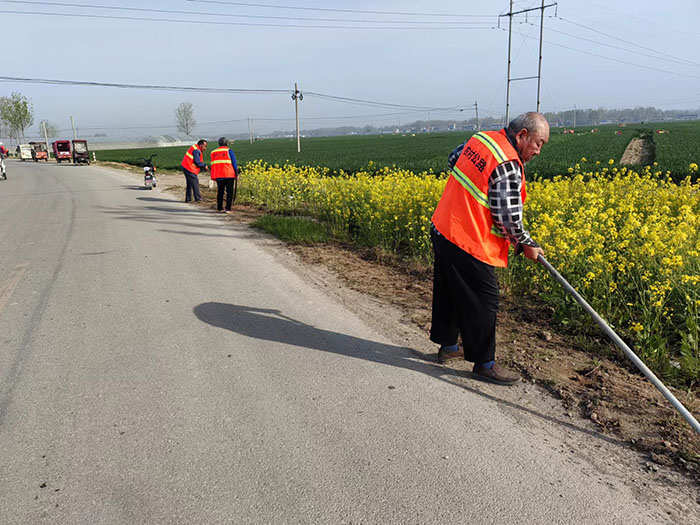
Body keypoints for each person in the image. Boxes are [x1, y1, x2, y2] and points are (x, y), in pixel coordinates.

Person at [430, 112, 549, 385]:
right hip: (466, 238)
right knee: (485, 297)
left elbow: (453, 158)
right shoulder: (508, 163)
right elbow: (507, 217)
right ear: (522, 136)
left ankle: (448, 347)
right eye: (538, 143)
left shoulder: (481, 139)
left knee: (449, 289)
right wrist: (526, 243)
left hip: (443, 226)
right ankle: (485, 363)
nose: (539, 151)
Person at [209, 137, 239, 213]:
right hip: (229, 174)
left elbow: (213, 164)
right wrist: (236, 173)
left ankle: (219, 208)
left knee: (220, 191)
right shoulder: (229, 151)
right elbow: (234, 163)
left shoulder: (213, 152)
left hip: (218, 175)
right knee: (229, 192)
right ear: (226, 143)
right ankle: (228, 209)